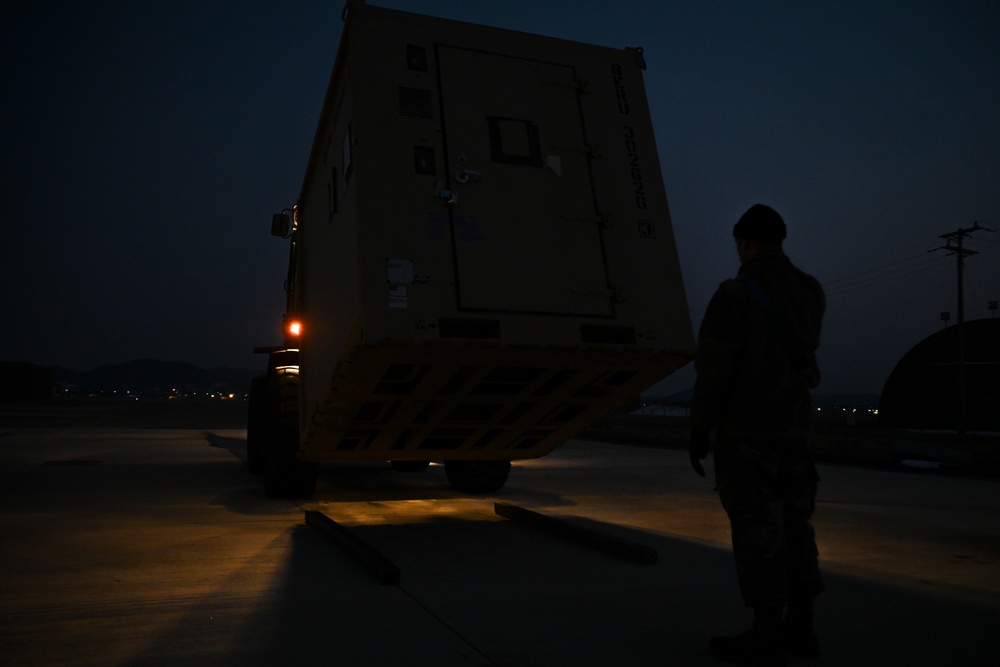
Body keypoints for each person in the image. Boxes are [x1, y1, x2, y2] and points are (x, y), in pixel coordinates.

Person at [689, 204, 826, 667]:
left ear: (744, 243)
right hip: (796, 435)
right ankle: (801, 627)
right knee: (797, 528)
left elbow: (714, 370)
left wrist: (699, 428)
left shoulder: (734, 294)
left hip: (748, 437)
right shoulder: (810, 289)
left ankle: (765, 634)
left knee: (758, 533)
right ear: (781, 241)